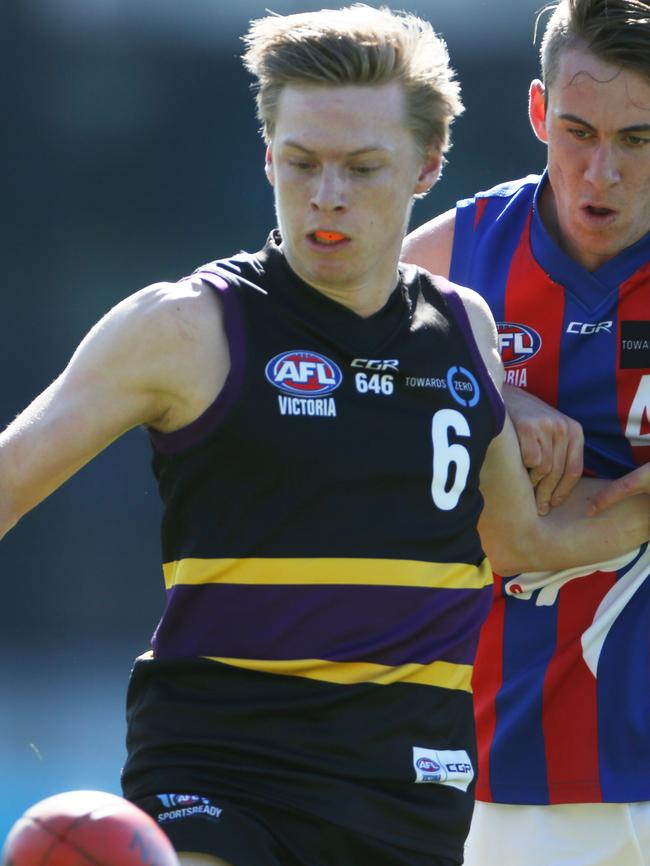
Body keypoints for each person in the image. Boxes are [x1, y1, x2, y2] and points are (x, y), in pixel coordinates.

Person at [2, 6, 649, 866]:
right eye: (302, 162)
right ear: (268, 154)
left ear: (427, 165)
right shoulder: (186, 327)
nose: (328, 194)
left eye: (362, 166)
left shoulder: (464, 333)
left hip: (410, 800)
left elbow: (523, 541)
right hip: (221, 782)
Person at [402, 0, 650, 864]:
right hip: (518, 772)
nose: (603, 172)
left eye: (639, 140)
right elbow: (304, 339)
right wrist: (490, 396)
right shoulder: (457, 260)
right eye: (580, 131)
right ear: (540, 111)